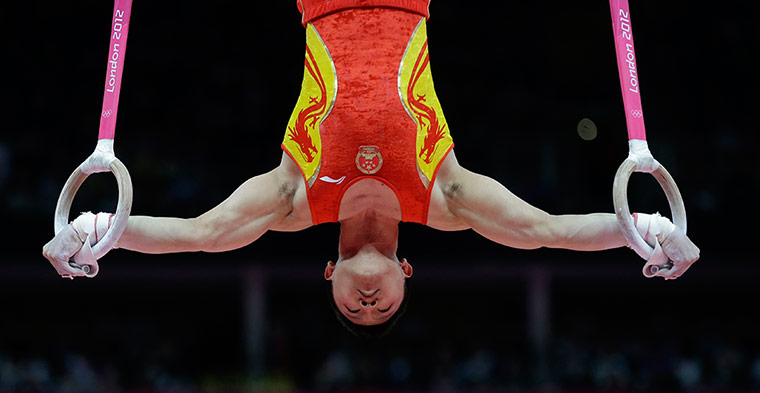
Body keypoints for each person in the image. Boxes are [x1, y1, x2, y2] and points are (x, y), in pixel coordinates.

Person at [42, 1, 699, 336]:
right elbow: (551, 231)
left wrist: (96, 228)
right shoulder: (444, 197)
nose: (366, 304)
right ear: (407, 273)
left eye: (353, 312)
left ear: (326, 274)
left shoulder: (294, 199)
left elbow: (197, 233)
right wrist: (648, 228)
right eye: (381, 310)